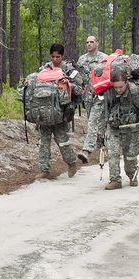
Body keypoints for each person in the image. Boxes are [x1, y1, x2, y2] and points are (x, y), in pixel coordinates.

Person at [35, 44, 82, 179]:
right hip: (44, 111)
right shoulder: (44, 69)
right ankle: (44, 169)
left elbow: (80, 89)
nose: (55, 59)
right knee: (43, 141)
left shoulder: (70, 70)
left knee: (62, 141)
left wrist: (68, 84)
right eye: (53, 56)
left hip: (62, 112)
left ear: (63, 56)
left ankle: (72, 162)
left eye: (58, 56)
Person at [103, 69, 139, 190]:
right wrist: (101, 131)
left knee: (130, 156)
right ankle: (115, 180)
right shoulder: (108, 92)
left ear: (126, 83)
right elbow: (103, 111)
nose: (118, 90)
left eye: (121, 87)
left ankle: (132, 176)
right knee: (112, 153)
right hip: (114, 127)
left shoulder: (134, 91)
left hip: (131, 128)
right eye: (116, 87)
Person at [76, 36, 108, 163]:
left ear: (97, 43)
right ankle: (102, 144)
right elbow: (79, 77)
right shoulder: (82, 59)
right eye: (87, 42)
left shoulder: (103, 58)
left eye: (91, 42)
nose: (89, 44)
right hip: (87, 97)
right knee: (93, 121)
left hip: (100, 95)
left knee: (93, 121)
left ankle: (87, 150)